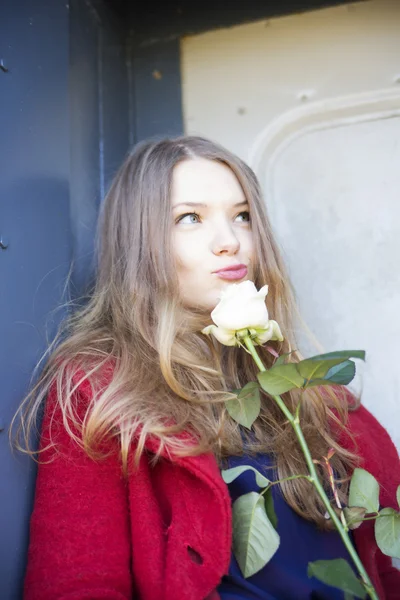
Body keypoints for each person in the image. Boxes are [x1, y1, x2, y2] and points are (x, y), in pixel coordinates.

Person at [12, 136, 400, 600]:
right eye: (190, 218)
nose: (230, 242)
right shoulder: (99, 390)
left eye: (242, 216)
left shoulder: (313, 397)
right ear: (140, 245)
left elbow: (378, 570)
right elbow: (78, 586)